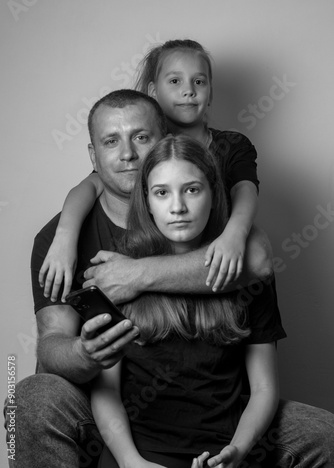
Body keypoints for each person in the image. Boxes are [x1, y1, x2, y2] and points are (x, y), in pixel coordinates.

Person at [7, 90, 269, 468]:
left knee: (318, 432)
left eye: (141, 138)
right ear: (93, 156)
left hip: (216, 408)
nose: (127, 154)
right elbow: (51, 345)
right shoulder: (58, 240)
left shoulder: (194, 213)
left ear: (164, 141)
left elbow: (258, 260)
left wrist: (135, 275)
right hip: (102, 403)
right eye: (110, 141)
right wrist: (85, 353)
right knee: (31, 397)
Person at [90, 135, 334, 468]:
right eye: (162, 193)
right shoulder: (120, 275)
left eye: (192, 189)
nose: (178, 207)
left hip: (224, 450)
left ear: (213, 193)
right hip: (138, 455)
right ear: (147, 201)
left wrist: (238, 450)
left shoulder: (247, 277)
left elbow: (263, 388)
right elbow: (106, 392)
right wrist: (132, 462)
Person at [38, 39, 272, 304]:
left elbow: (245, 191)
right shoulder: (149, 147)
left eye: (199, 81)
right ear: (153, 91)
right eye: (175, 81)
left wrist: (234, 235)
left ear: (211, 90)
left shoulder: (231, 145)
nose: (188, 91)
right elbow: (91, 185)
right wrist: (65, 237)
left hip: (225, 253)